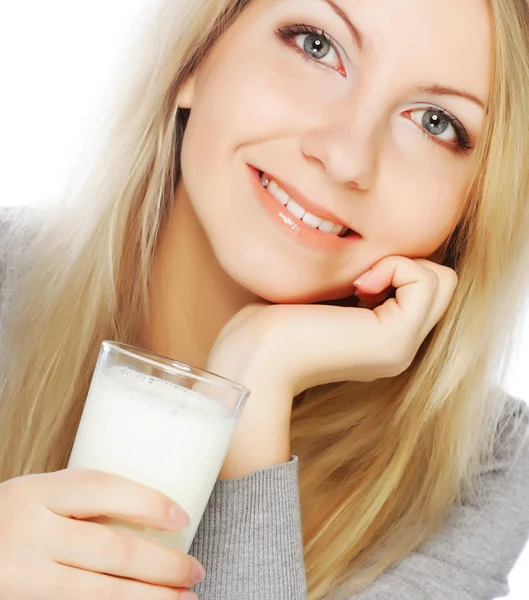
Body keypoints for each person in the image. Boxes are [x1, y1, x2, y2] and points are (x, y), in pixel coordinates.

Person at [1, 0, 529, 598]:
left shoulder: (480, 471)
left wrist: (255, 382)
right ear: (197, 56)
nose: (347, 157)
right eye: (316, 45)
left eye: (434, 121)